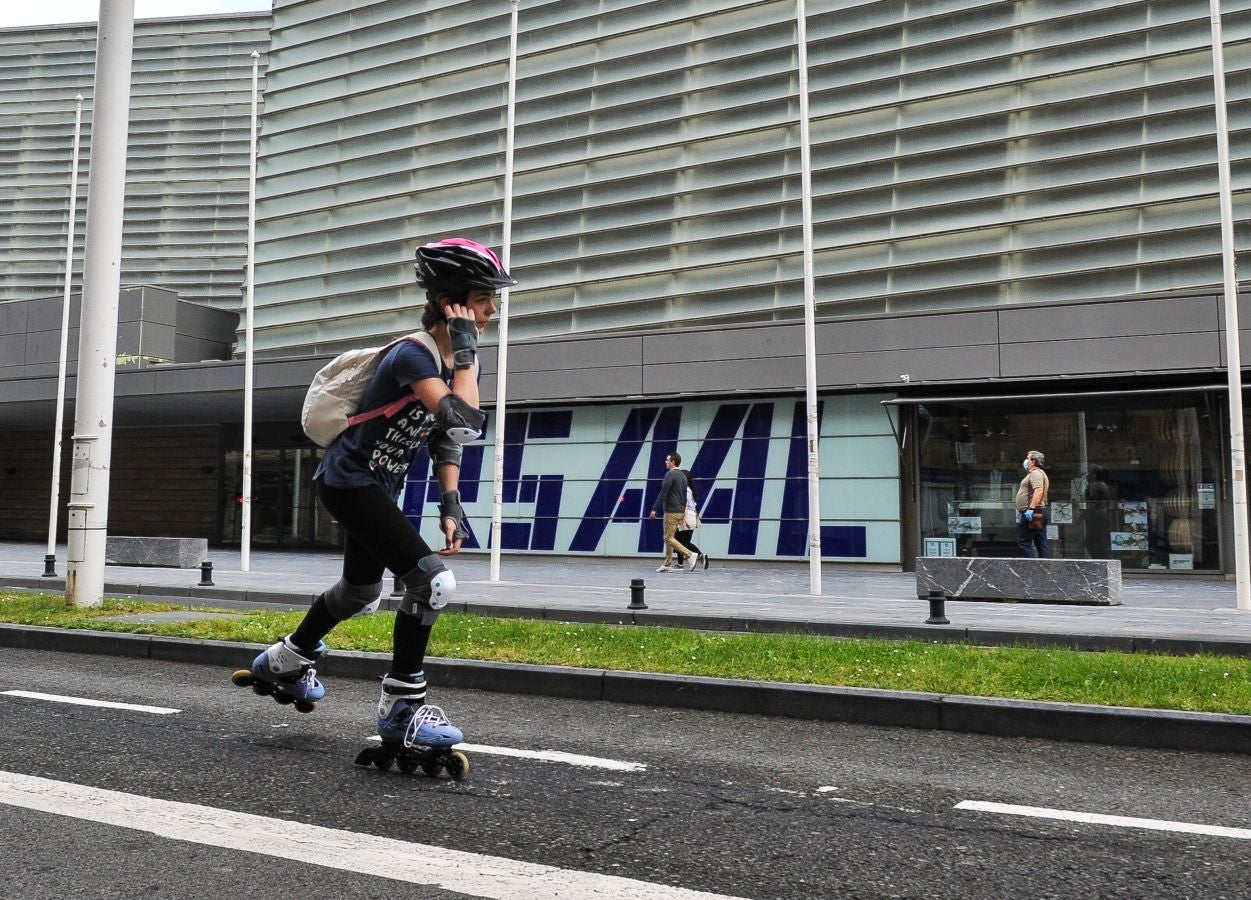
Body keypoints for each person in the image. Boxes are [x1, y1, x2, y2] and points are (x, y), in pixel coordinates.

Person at [237, 237, 516, 753]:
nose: (491, 311)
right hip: (351, 481)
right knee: (434, 583)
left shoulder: (450, 362)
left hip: (374, 485)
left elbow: (447, 438)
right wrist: (467, 354)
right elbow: (464, 420)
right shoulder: (415, 355)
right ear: (453, 300)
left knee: (359, 594)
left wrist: (450, 504)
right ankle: (402, 708)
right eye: (482, 300)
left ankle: (284, 662)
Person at [649, 451, 697, 572]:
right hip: (679, 511)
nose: (665, 461)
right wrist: (682, 513)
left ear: (673, 462)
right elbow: (684, 497)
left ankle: (690, 555)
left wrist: (655, 508)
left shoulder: (670, 474)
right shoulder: (682, 476)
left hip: (671, 510)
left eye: (667, 460)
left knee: (667, 538)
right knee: (670, 536)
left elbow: (663, 492)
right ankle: (667, 563)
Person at [1015, 449, 1051, 558]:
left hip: (1034, 512)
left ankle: (1032, 568)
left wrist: (1031, 508)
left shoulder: (1036, 474)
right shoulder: (1038, 473)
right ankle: (1045, 568)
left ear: (1033, 461)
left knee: (1024, 541)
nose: (1026, 460)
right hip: (1038, 511)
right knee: (1040, 541)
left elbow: (1038, 490)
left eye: (1028, 458)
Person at [674, 468, 709, 571]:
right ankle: (682, 562)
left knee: (679, 541)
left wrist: (682, 517)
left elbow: (684, 504)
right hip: (692, 516)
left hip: (685, 516)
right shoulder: (691, 490)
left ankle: (700, 555)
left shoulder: (684, 489)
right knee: (682, 541)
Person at [1083, 465, 1113, 559]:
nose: (1088, 475)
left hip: (1096, 516)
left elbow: (1093, 503)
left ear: (1094, 475)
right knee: (1101, 539)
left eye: (1090, 473)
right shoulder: (1104, 486)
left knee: (1093, 541)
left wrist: (1084, 515)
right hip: (1102, 515)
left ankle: (1100, 559)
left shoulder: (1095, 486)